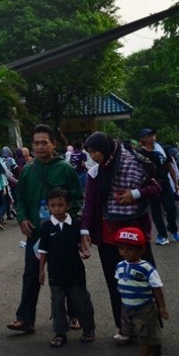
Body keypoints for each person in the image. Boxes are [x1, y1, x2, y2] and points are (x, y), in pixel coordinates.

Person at [80, 131, 161, 345]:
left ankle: (151, 325)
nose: (93, 155)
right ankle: (124, 327)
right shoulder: (95, 173)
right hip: (108, 238)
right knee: (116, 283)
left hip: (134, 236)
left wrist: (133, 193)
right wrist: (85, 231)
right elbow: (88, 206)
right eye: (89, 152)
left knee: (143, 280)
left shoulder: (131, 165)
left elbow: (155, 187)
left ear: (106, 149)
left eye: (96, 151)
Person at [7, 124, 82, 335]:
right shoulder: (29, 170)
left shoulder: (66, 169)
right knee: (31, 274)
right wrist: (22, 219)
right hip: (36, 233)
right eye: (36, 143)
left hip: (61, 233)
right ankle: (25, 319)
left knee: (66, 273)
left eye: (44, 143)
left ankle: (74, 314)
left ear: (54, 144)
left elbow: (77, 198)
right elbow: (20, 197)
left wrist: (64, 217)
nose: (39, 147)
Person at [37, 188, 96, 348]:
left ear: (68, 205)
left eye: (60, 205)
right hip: (55, 272)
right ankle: (60, 333)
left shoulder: (75, 224)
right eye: (53, 205)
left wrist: (84, 251)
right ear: (48, 206)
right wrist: (41, 270)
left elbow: (80, 244)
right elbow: (43, 251)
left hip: (75, 271)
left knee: (81, 300)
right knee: (57, 304)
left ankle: (88, 329)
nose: (57, 208)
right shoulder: (47, 226)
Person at [113, 226, 168, 356]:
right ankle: (151, 346)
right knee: (133, 330)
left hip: (145, 308)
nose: (125, 252)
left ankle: (151, 349)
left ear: (142, 250)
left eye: (130, 249)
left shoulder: (147, 268)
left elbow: (157, 287)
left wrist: (162, 306)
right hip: (127, 306)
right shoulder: (120, 266)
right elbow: (119, 283)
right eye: (121, 248)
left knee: (145, 335)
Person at [137, 128, 179, 245]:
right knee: (155, 211)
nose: (152, 137)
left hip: (164, 183)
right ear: (143, 139)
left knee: (171, 208)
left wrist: (176, 183)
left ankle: (173, 228)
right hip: (150, 185)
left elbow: (170, 167)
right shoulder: (141, 154)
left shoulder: (162, 150)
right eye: (149, 135)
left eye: (153, 135)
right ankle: (162, 235)